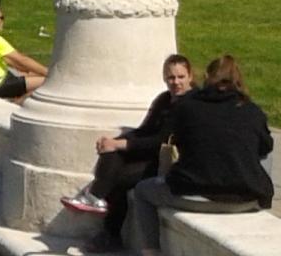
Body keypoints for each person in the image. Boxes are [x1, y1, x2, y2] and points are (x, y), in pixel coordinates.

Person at [126, 55, 272, 256]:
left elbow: (175, 140)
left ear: (206, 77)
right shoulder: (252, 111)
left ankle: (151, 251)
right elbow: (265, 148)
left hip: (196, 192)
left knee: (142, 191)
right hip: (246, 197)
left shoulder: (188, 107)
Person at [64, 55, 192, 253]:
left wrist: (122, 143)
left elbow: (160, 141)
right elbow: (144, 130)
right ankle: (96, 197)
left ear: (190, 76)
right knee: (111, 154)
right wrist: (114, 142)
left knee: (120, 179)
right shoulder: (164, 99)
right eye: (170, 78)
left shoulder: (190, 104)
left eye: (180, 77)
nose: (176, 82)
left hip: (167, 161)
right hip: (147, 154)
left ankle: (104, 219)